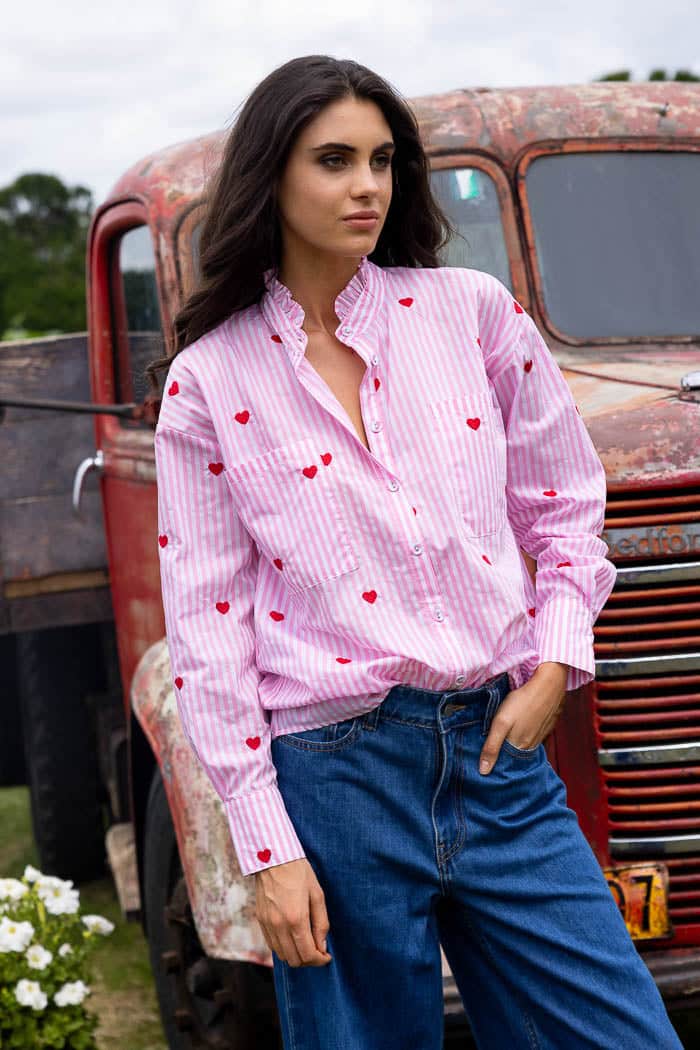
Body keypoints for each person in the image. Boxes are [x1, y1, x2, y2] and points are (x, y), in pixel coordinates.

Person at [148, 55, 683, 1050]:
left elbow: (565, 501)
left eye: (383, 160)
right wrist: (269, 852)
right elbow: (209, 638)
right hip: (334, 778)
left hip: (498, 755)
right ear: (271, 175)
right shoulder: (208, 382)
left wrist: (554, 664)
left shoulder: (469, 314)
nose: (367, 185)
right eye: (334, 160)